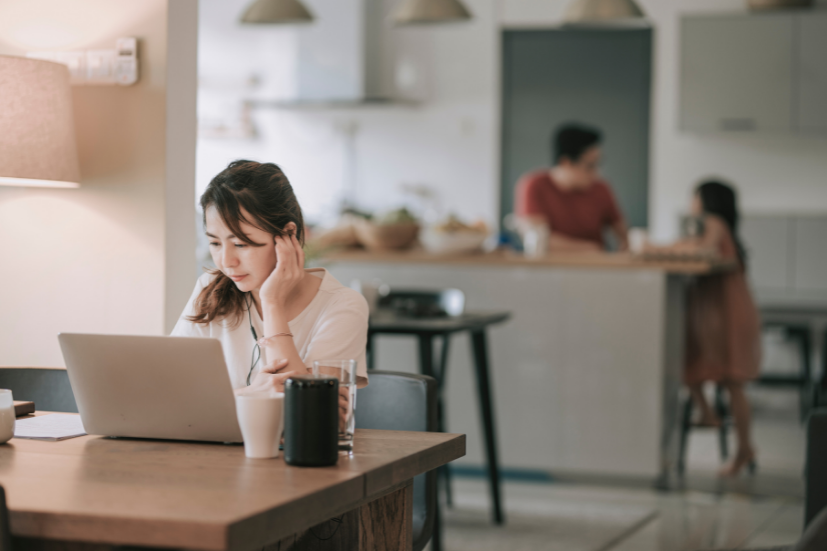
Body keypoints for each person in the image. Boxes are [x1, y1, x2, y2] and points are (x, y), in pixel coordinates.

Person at [171, 160, 369, 394]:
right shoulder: (210, 289)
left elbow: (313, 413)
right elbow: (174, 394)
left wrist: (272, 302)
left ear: (287, 235)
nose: (226, 261)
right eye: (214, 243)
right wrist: (250, 395)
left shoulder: (342, 306)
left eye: (240, 244)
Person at [650, 180, 761, 477]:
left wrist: (656, 249)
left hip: (725, 312)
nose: (691, 202)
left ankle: (742, 448)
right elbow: (691, 246)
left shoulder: (712, 222)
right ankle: (710, 415)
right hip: (720, 311)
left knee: (730, 379)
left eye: (694, 196)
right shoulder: (721, 226)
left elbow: (702, 249)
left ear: (704, 200)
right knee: (699, 367)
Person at [515, 123, 628, 252]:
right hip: (549, 269)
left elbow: (625, 237)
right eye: (590, 166)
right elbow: (536, 240)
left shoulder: (601, 188)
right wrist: (591, 249)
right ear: (566, 162)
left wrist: (637, 243)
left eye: (599, 164)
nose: (597, 172)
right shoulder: (534, 185)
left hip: (597, 268)